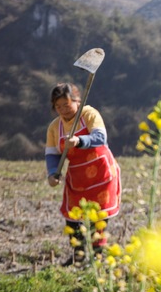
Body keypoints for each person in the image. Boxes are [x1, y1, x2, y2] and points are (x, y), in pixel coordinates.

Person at [45, 83, 121, 266]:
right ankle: (78, 256)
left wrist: (80, 140)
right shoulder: (55, 127)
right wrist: (53, 173)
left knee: (98, 219)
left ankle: (98, 258)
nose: (63, 109)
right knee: (72, 218)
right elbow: (52, 153)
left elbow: (100, 137)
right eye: (58, 106)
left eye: (66, 104)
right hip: (77, 177)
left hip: (101, 175)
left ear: (77, 101)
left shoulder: (89, 114)